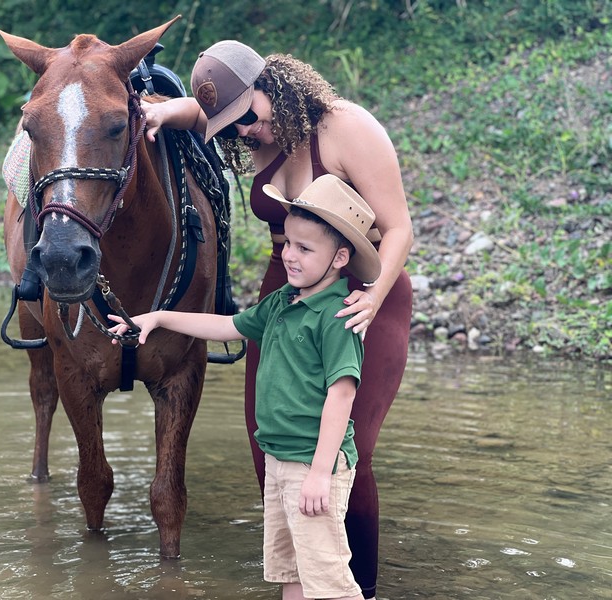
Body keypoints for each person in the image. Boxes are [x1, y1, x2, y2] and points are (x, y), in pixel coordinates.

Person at [143, 41, 413, 599]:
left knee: (345, 452)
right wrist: (168, 111)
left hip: (359, 293)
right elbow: (211, 110)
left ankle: (357, 587)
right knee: (271, 443)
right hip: (284, 291)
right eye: (230, 125)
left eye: (246, 117)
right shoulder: (255, 119)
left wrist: (373, 297)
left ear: (274, 89)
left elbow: (400, 227)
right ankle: (300, 582)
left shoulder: (344, 127)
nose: (242, 132)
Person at [110, 174, 380, 600]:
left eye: (305, 249)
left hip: (312, 464)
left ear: (341, 257)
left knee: (329, 582)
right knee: (290, 572)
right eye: (288, 243)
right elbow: (227, 326)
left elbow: (342, 394)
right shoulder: (281, 301)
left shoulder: (338, 316)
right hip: (278, 458)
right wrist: (158, 317)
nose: (290, 256)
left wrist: (320, 474)